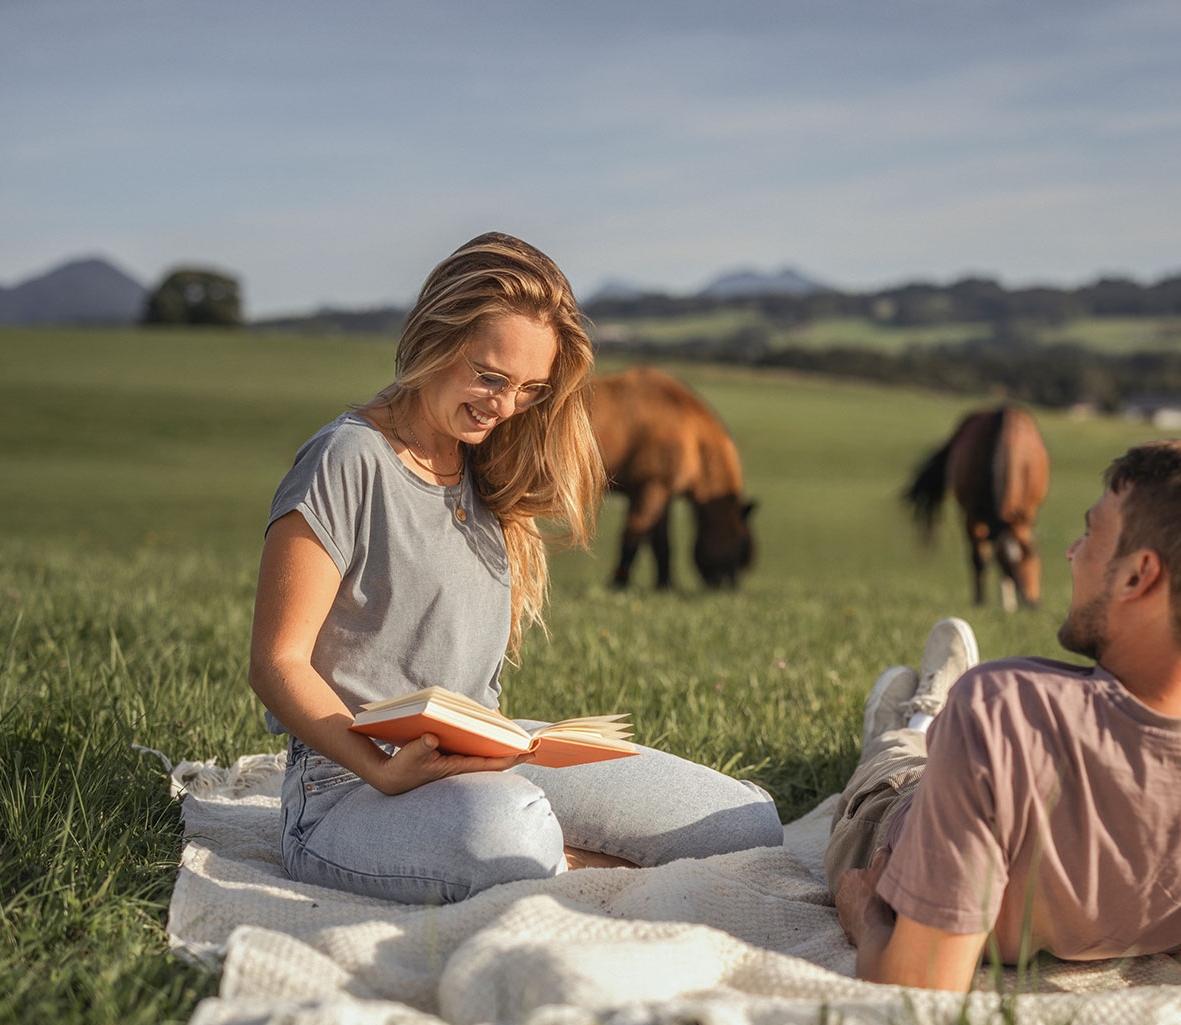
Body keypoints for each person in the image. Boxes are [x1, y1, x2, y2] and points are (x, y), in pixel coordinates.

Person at [248, 232, 781, 905]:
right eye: (489, 376)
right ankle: (566, 862)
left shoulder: (488, 465)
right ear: (433, 337)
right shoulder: (347, 458)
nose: (503, 407)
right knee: (513, 830)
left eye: (529, 390)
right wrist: (382, 771)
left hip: (491, 756)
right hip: (349, 788)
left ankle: (559, 861)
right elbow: (277, 662)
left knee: (745, 824)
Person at [828, 440, 1181, 999]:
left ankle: (913, 724)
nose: (1072, 551)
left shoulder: (1002, 716)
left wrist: (865, 914)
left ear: (1138, 574)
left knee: (896, 766)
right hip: (1129, 907)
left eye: (1092, 533)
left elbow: (916, 990)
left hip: (893, 827)